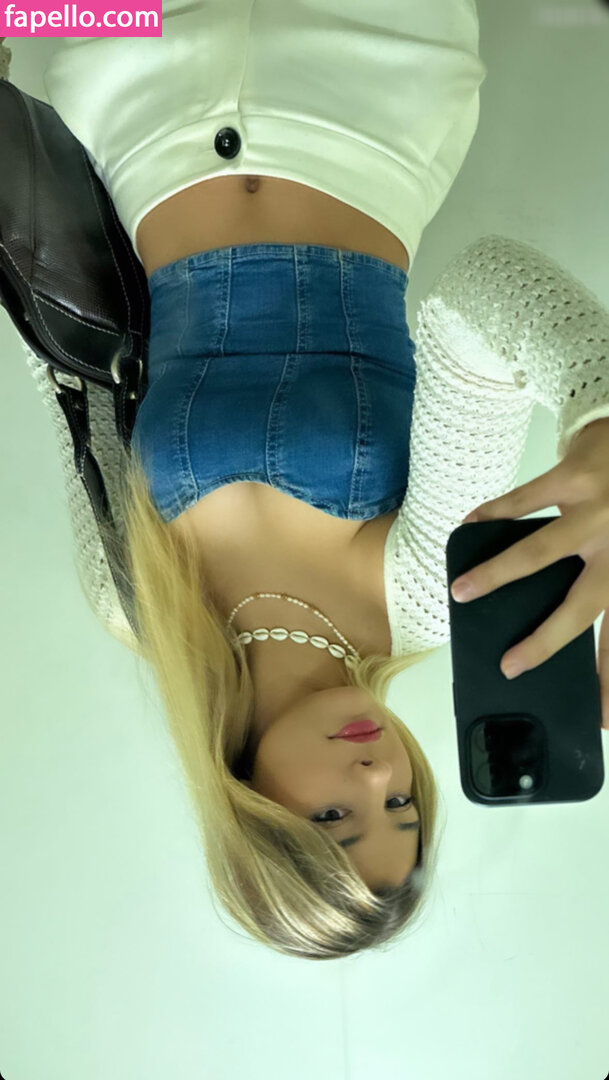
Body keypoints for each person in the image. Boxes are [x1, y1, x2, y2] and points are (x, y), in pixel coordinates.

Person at [38, 0, 490, 959]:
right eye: (401, 806)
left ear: (246, 802)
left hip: (134, 80)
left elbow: (68, 360)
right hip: (371, 78)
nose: (378, 778)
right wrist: (594, 416)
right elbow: (483, 310)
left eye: (335, 819)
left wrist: (32, 23)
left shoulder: (138, 603)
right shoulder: (424, 602)